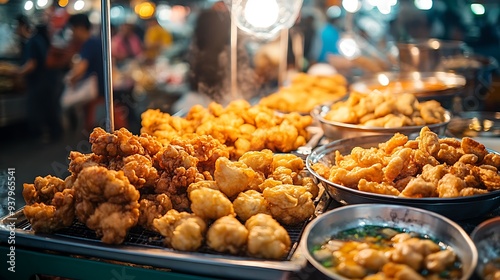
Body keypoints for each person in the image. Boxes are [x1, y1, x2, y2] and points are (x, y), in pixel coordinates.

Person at [14, 15, 62, 142]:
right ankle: (55, 134)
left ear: (23, 26)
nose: (16, 31)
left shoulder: (32, 42)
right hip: (49, 80)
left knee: (36, 110)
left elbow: (31, 64)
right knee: (50, 108)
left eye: (17, 27)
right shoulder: (40, 39)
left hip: (39, 82)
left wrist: (17, 73)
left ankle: (41, 135)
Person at [65, 13, 105, 131]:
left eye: (72, 29)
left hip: (96, 93)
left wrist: (71, 79)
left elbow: (81, 67)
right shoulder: (95, 42)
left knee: (95, 129)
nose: (72, 33)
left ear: (80, 28)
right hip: (99, 91)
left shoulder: (90, 43)